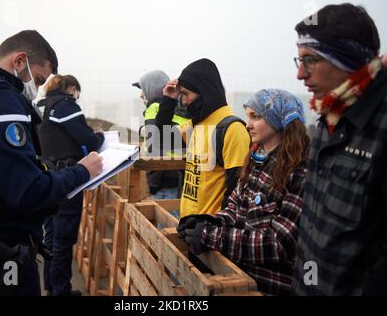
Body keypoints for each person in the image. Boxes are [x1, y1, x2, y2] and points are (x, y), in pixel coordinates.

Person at [0, 30, 103, 296]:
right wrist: (82, 171)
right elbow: (28, 191)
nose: (36, 88)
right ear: (19, 61)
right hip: (0, 260)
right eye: (37, 79)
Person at [291, 3, 387, 295]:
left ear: (348, 58)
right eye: (298, 60)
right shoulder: (328, 119)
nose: (300, 75)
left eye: (310, 60)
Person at [179, 89, 309, 295]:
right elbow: (234, 209)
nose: (247, 124)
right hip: (242, 279)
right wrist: (207, 221)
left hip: (272, 287)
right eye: (248, 116)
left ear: (279, 120)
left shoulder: (300, 173)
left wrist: (212, 236)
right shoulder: (254, 160)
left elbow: (279, 243)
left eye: (255, 117)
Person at [37, 75, 105, 296]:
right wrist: (100, 136)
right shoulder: (66, 106)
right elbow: (89, 141)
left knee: (50, 236)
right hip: (67, 178)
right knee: (63, 239)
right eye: (78, 92)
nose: (77, 97)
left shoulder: (42, 106)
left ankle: (50, 287)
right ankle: (61, 291)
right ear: (72, 89)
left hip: (46, 176)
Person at [160, 58, 250, 220]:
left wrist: (211, 229)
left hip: (209, 233)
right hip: (189, 226)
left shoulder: (233, 129)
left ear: (204, 92)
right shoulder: (196, 124)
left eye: (186, 94)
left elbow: (237, 190)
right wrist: (168, 100)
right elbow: (160, 140)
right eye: (181, 95)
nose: (184, 101)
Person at [132, 70, 189, 206]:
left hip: (163, 177)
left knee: (166, 222)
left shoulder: (154, 107)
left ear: (151, 89)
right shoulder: (176, 107)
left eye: (143, 89)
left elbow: (153, 144)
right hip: (178, 174)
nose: (141, 95)